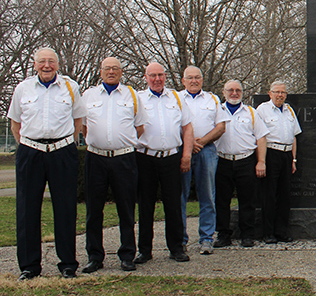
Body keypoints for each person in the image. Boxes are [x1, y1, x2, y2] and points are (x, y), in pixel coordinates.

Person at [8, 48, 86, 280]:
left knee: (65, 209)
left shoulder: (71, 87)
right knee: (27, 210)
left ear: (57, 64)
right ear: (34, 64)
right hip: (30, 152)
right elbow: (15, 123)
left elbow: (78, 119)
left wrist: (67, 144)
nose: (46, 65)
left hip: (62, 152)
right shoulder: (23, 88)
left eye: (51, 61)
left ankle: (68, 264)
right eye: (42, 61)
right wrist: (27, 145)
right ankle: (29, 266)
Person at [81, 57, 149, 273]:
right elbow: (83, 128)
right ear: (100, 72)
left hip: (124, 159)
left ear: (121, 72)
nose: (111, 72)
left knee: (126, 209)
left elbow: (139, 127)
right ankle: (94, 256)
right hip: (96, 158)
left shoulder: (133, 96)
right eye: (107, 69)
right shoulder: (88, 95)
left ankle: (127, 254)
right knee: (94, 210)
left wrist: (120, 142)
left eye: (115, 69)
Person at [133, 62, 194, 265]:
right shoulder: (138, 99)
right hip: (145, 157)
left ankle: (176, 248)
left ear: (165, 76)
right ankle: (144, 251)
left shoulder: (176, 98)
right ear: (146, 76)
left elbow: (187, 128)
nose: (157, 79)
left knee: (173, 205)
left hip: (172, 158)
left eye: (160, 75)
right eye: (153, 75)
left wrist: (186, 155)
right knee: (145, 205)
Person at [178, 66, 229, 255]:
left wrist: (201, 142)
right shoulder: (175, 99)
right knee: (180, 196)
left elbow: (221, 127)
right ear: (183, 81)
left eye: (197, 77)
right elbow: (171, 125)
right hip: (183, 151)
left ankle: (206, 238)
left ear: (202, 80)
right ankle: (180, 239)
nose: (194, 81)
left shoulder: (212, 99)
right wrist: (189, 144)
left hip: (206, 151)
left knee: (207, 195)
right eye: (190, 78)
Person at [213, 80, 269, 248]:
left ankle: (247, 235)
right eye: (231, 90)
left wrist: (261, 161)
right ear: (224, 92)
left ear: (242, 92)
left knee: (248, 200)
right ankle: (223, 235)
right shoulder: (216, 112)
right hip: (222, 161)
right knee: (221, 201)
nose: (234, 93)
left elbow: (261, 138)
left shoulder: (251, 113)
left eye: (238, 90)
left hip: (246, 161)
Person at [256, 81, 301, 244]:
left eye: (283, 92)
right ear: (270, 93)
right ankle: (268, 233)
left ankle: (281, 232)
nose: (280, 95)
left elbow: (294, 135)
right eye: (276, 92)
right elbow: (259, 135)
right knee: (269, 195)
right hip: (271, 153)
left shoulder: (289, 110)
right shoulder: (262, 109)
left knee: (284, 196)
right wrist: (261, 160)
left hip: (287, 154)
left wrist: (293, 160)